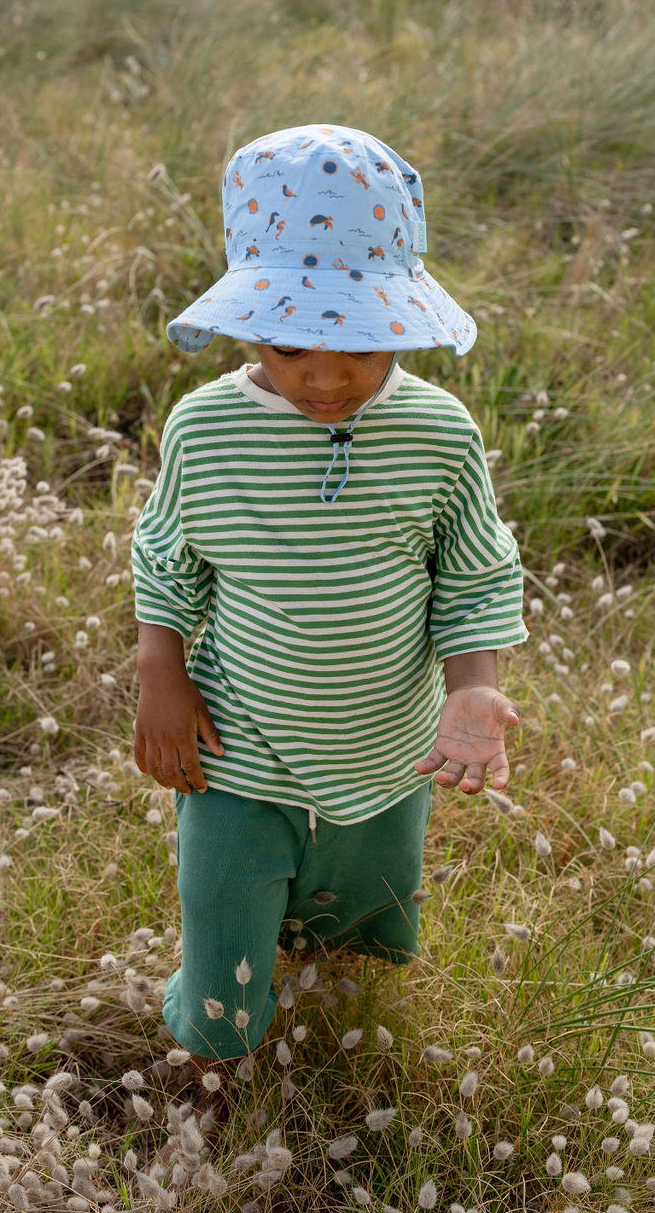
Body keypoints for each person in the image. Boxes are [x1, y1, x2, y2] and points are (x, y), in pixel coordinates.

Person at [131, 122, 528, 1131]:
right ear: (247, 321)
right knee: (223, 915)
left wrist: (474, 686)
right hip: (237, 738)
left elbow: (470, 572)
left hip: (387, 741)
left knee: (362, 917)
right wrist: (159, 678)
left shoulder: (437, 432)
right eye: (290, 342)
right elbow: (167, 560)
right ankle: (216, 1079)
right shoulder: (205, 429)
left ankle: (335, 1027)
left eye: (356, 343)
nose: (323, 375)